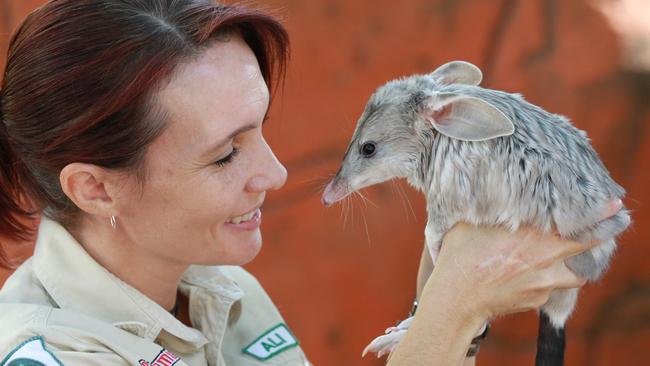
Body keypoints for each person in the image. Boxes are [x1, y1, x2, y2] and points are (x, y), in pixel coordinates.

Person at [0, 1, 620, 365]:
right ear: (96, 189)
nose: (273, 174)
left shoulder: (221, 288)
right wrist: (453, 308)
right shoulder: (50, 354)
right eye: (224, 157)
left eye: (260, 127)